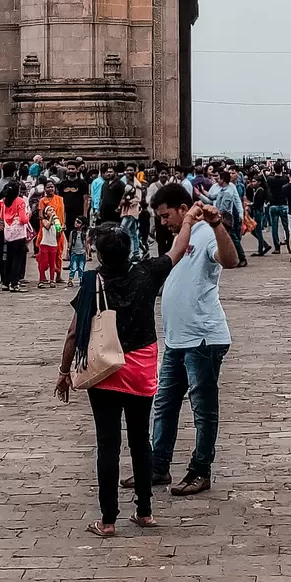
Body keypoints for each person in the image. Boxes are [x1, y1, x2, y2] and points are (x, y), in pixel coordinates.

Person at [55, 215, 199, 537]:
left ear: (100, 254)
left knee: (107, 444)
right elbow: (178, 248)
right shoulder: (147, 273)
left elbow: (72, 333)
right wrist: (188, 218)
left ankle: (107, 520)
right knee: (140, 440)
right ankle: (145, 511)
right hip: (141, 370)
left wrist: (64, 372)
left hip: (105, 369)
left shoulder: (93, 282)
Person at [143, 183, 239, 495]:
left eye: (166, 215)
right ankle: (157, 466)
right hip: (177, 340)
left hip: (202, 338)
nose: (162, 221)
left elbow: (230, 260)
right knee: (166, 404)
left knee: (203, 409)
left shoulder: (207, 233)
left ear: (184, 209)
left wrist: (216, 224)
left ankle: (201, 469)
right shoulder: (181, 237)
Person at [0, 179, 31, 291]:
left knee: (8, 258)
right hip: (19, 234)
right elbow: (24, 219)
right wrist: (28, 214)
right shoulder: (20, 201)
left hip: (7, 233)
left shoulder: (3, 201)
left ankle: (6, 282)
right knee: (18, 259)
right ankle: (15, 283)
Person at [36, 196, 63, 287]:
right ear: (46, 213)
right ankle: (41, 279)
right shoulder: (44, 220)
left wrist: (60, 230)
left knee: (52, 264)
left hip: (53, 245)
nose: (52, 211)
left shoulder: (56, 222)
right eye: (50, 210)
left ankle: (52, 280)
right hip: (45, 245)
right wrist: (52, 218)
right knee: (43, 263)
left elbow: (57, 235)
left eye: (53, 210)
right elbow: (47, 226)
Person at [67, 217, 88, 283]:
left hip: (82, 253)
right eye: (76, 221)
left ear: (83, 225)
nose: (76, 223)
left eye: (78, 222)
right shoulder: (72, 233)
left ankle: (81, 279)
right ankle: (70, 280)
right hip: (74, 252)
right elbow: (70, 242)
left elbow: (87, 244)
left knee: (81, 268)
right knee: (73, 267)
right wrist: (68, 251)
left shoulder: (85, 234)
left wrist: (88, 254)